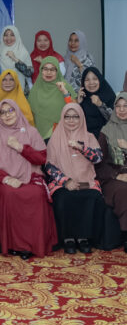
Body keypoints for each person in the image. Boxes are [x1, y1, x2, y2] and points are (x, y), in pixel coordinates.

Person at [0, 100, 57, 259]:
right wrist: (6, 179)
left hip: (31, 177)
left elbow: (41, 158)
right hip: (6, 180)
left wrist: (21, 147)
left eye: (10, 110)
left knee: (35, 194)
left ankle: (32, 245)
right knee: (8, 194)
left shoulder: (31, 132)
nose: (7, 115)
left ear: (17, 111)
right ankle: (13, 245)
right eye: (2, 112)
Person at [45, 103, 104, 254]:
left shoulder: (89, 137)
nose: (71, 120)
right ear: (62, 118)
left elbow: (98, 158)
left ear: (81, 118)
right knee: (64, 197)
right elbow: (49, 166)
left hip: (86, 181)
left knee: (92, 196)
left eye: (75, 116)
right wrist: (66, 181)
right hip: (63, 183)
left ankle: (84, 237)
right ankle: (68, 238)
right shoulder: (55, 138)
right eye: (67, 117)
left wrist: (82, 147)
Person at [96, 93, 127, 252]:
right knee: (124, 191)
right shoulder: (106, 131)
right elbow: (99, 162)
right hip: (111, 177)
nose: (122, 110)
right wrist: (117, 175)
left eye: (125, 106)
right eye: (118, 106)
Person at [28, 56, 76, 140]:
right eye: (45, 69)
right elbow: (30, 114)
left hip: (61, 133)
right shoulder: (36, 88)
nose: (48, 72)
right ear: (41, 70)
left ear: (57, 71)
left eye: (52, 69)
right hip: (38, 134)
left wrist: (65, 92)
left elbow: (75, 109)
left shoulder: (64, 86)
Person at [77, 67, 115, 138]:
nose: (91, 82)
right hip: (84, 138)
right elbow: (73, 121)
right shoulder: (82, 97)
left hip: (105, 138)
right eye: (87, 80)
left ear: (100, 79)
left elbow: (114, 120)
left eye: (95, 79)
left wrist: (101, 105)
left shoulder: (109, 95)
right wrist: (78, 103)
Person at [0, 25, 33, 93]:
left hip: (19, 91)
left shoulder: (23, 52)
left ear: (17, 36)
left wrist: (15, 59)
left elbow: (29, 73)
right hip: (2, 91)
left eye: (12, 35)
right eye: (6, 35)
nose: (8, 38)